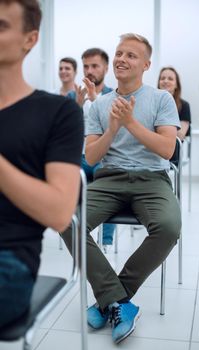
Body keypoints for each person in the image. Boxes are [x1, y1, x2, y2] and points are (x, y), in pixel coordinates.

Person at [63, 33, 181, 344]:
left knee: (169, 227)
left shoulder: (160, 99)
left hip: (152, 179)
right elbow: (91, 156)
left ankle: (112, 298)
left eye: (130, 55)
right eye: (119, 53)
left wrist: (130, 123)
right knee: (67, 219)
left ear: (145, 64)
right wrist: (113, 127)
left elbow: (168, 150)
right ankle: (118, 302)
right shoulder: (99, 105)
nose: (121, 59)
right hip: (110, 179)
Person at [0, 0, 84, 329]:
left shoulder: (58, 113)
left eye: (2, 26)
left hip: (9, 259)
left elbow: (59, 213)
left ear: (30, 40)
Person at [78, 48, 116, 249]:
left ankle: (106, 242)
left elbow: (115, 130)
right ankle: (74, 232)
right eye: (86, 66)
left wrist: (94, 100)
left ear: (106, 69)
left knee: (112, 185)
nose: (89, 70)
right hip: (79, 158)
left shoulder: (114, 96)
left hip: (105, 159)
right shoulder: (74, 95)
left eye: (95, 66)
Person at [157, 66, 191, 140]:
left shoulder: (184, 105)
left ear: (176, 85)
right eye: (162, 78)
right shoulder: (152, 103)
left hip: (173, 148)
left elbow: (180, 136)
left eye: (170, 79)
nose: (165, 81)